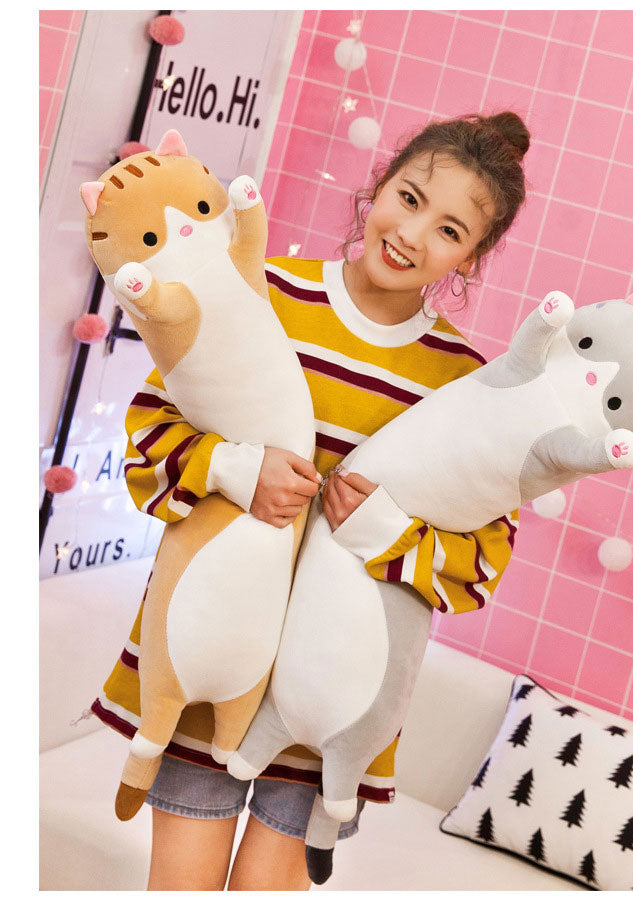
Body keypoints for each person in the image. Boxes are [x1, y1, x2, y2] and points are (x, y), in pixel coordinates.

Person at [92, 111, 530, 890]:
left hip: (326, 706)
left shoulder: (465, 383)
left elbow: (481, 562)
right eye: (409, 198)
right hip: (208, 667)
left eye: (449, 230)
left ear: (471, 256)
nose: (412, 234)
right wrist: (238, 470)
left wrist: (384, 530)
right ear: (379, 186)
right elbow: (147, 437)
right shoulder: (259, 290)